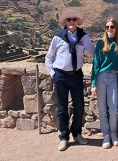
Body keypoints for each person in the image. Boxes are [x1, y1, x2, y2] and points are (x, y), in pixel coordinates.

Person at [45, 9, 95, 152]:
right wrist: (53, 74)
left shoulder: (83, 37)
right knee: (62, 109)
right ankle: (64, 137)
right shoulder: (58, 37)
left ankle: (77, 133)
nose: (71, 22)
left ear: (78, 21)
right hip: (60, 75)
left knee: (79, 106)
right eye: (69, 20)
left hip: (76, 75)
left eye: (74, 19)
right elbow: (49, 58)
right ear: (65, 22)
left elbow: (94, 52)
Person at [91, 18, 118, 149]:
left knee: (114, 109)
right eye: (107, 27)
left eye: (112, 27)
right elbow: (95, 64)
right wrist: (93, 83)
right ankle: (106, 135)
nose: (109, 29)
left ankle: (113, 134)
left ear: (116, 28)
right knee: (103, 108)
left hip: (113, 76)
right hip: (101, 76)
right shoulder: (100, 43)